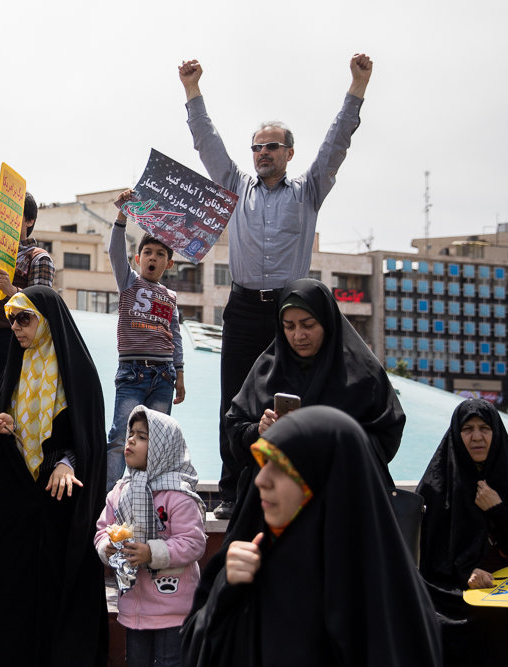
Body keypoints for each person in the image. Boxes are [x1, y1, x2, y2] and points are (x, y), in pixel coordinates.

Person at [178, 54, 373, 519]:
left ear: (289, 153)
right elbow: (207, 142)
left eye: (272, 147)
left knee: (290, 398)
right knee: (235, 400)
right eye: (257, 147)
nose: (262, 153)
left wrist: (357, 86)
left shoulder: (309, 191)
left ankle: (292, 486)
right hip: (244, 310)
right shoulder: (235, 186)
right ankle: (231, 491)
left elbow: (336, 144)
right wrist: (192, 90)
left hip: (291, 313)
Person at [182, 406, 441, 666]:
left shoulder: (392, 604)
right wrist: (224, 590)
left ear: (323, 480)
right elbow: (199, 652)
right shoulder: (251, 568)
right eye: (263, 464)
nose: (261, 480)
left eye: (280, 468)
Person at [0, 286, 108, 666]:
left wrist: (68, 462)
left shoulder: (76, 372)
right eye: (12, 319)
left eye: (24, 318)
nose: (15, 327)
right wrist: (6, 425)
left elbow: (87, 441)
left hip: (58, 510)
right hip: (16, 511)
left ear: (46, 321)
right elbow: (16, 435)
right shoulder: (16, 367)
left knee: (52, 609)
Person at [225, 278, 404, 497]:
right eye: (288, 326)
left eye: (308, 325)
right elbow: (236, 427)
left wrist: (332, 439)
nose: (298, 335)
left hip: (342, 494)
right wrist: (259, 430)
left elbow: (387, 433)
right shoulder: (268, 369)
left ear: (327, 322)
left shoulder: (362, 373)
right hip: (276, 498)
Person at [416, 398, 508, 666]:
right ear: (456, 433)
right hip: (455, 590)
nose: (477, 437)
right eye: (467, 429)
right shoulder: (438, 488)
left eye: (484, 428)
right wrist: (468, 573)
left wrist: (498, 509)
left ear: (495, 433)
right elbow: (429, 558)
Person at [94, 406, 205, 667]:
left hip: (173, 609)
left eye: (142, 437)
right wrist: (107, 546)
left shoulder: (178, 495)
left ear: (163, 448)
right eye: (130, 433)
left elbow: (194, 543)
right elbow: (102, 529)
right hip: (135, 609)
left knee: (170, 662)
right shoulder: (120, 493)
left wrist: (152, 552)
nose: (130, 439)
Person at [105, 189, 185, 491]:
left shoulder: (170, 297)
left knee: (157, 438)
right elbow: (115, 251)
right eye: (148, 253)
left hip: (164, 376)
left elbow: (175, 336)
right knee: (119, 438)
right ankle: (111, 499)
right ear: (138, 259)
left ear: (169, 264)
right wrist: (122, 215)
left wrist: (180, 376)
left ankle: (149, 495)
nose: (153, 257)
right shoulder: (128, 282)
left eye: (160, 254)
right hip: (132, 373)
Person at [0, 191, 54, 390]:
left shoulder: (38, 257)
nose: (6, 221)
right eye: (2, 215)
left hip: (13, 338)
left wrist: (13, 291)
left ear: (30, 221)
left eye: (14, 215)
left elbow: (43, 305)